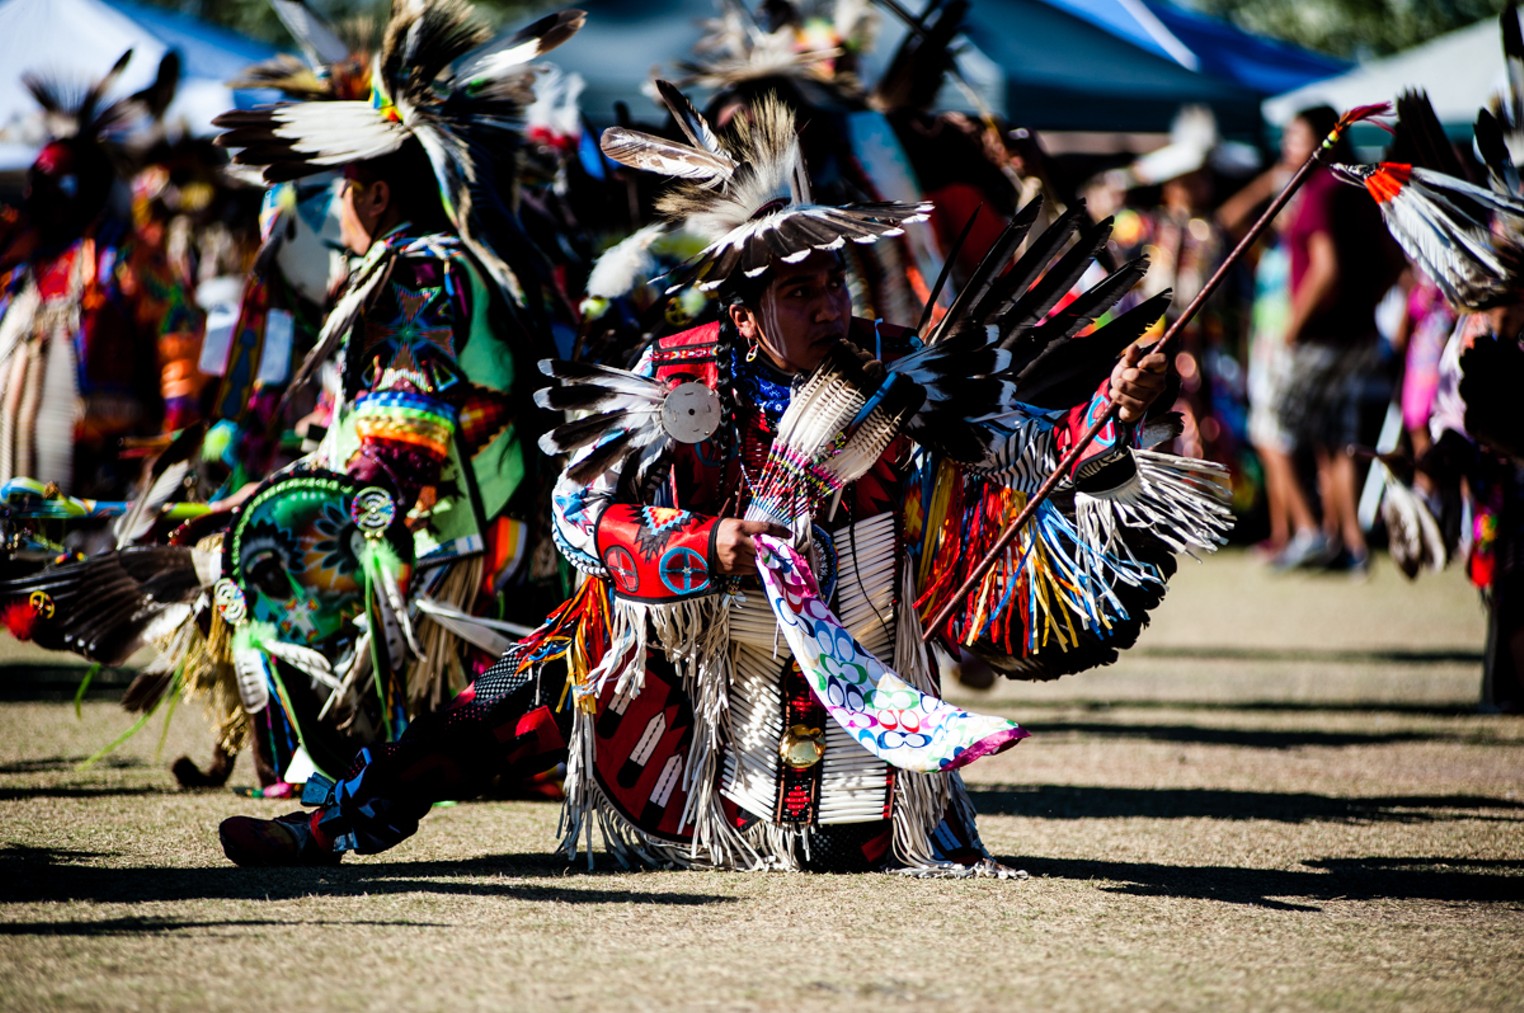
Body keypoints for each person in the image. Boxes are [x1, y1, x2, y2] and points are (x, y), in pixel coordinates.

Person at [216, 83, 1233, 873]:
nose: (833, 304)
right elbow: (581, 518)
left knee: (841, 851)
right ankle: (334, 823)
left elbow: (1020, 459)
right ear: (746, 314)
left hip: (854, 675)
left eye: (836, 279)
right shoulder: (677, 376)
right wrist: (708, 544)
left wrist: (1119, 407)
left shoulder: (893, 367)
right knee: (509, 689)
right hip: (684, 653)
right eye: (803, 290)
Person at [1272, 106, 1401, 573]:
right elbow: (1394, 259)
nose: (1287, 146)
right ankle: (1350, 546)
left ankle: (1308, 533)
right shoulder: (1355, 186)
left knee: (1273, 429)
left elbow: (1326, 269)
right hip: (1357, 336)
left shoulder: (1322, 191)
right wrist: (1368, 305)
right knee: (1336, 441)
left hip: (1321, 339)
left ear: (1322, 142)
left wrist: (1292, 328)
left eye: (1295, 137)